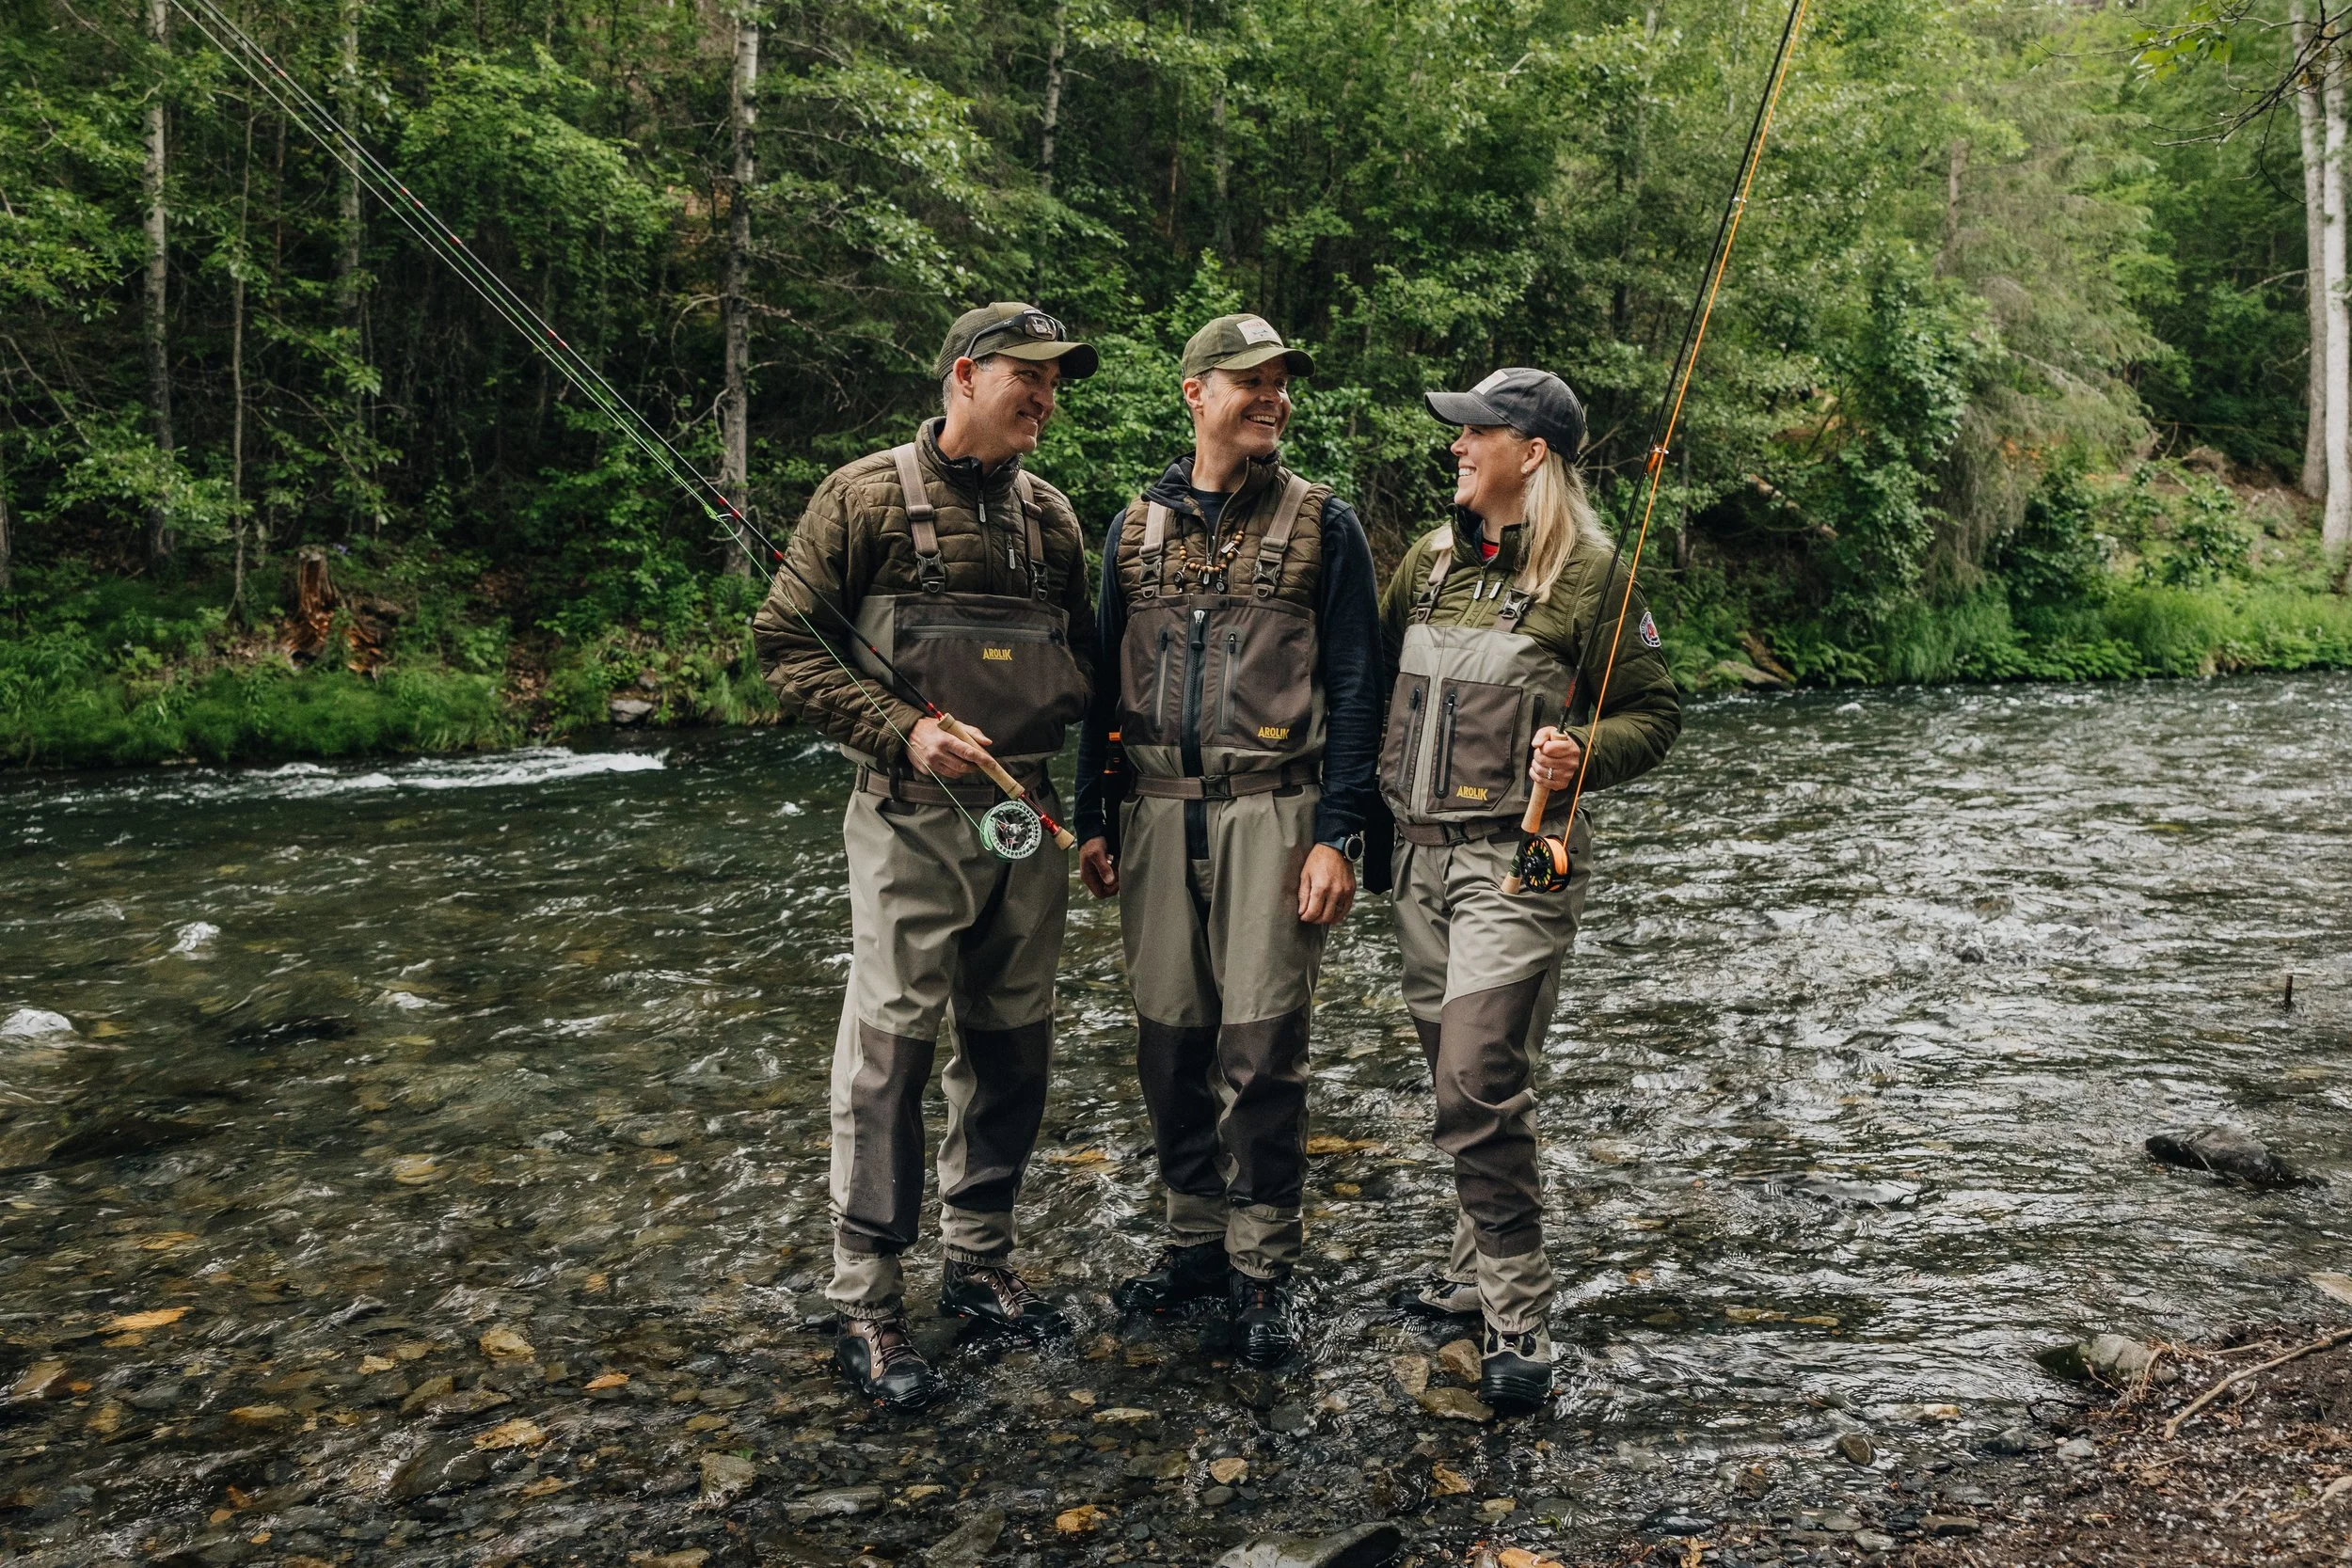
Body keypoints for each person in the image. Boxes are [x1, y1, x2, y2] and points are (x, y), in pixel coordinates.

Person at [753, 303, 1101, 1408]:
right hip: (906, 817)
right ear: (964, 375)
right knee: (890, 1055)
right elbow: (782, 645)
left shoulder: (1055, 520)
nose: (1045, 396)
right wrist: (902, 728)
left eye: (1056, 380)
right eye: (1027, 377)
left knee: (1010, 1048)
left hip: (1025, 822)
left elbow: (1090, 671)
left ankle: (980, 1258)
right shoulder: (860, 497)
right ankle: (866, 1298)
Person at [1072, 313, 1382, 1365]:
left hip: (1275, 809)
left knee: (1261, 1048)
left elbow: (1357, 688)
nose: (1272, 397)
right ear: (1195, 392)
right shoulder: (1128, 531)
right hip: (1155, 811)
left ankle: (1263, 1265)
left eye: (1281, 382)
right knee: (1168, 1042)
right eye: (1250, 381)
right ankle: (1193, 1239)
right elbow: (1101, 687)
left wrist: (1340, 832)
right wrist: (1092, 813)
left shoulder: (1323, 525)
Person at [1376, 368, 1680, 1411]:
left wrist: (1580, 750)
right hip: (1415, 860)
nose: (1456, 445)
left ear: (1531, 453)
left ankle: (1517, 1311)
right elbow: (1365, 683)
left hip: (1517, 862)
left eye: (1475, 432)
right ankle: (1465, 1277)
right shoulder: (1424, 561)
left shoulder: (1595, 575)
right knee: (1467, 1082)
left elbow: (1657, 713)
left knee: (1473, 1078)